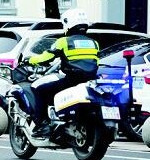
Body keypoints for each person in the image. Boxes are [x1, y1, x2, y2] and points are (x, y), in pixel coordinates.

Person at [27, 8, 100, 137]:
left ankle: (42, 125)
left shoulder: (64, 41)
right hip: (90, 81)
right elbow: (96, 62)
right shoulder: (94, 43)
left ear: (68, 23)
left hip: (72, 80)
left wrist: (30, 60)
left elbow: (47, 57)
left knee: (40, 90)